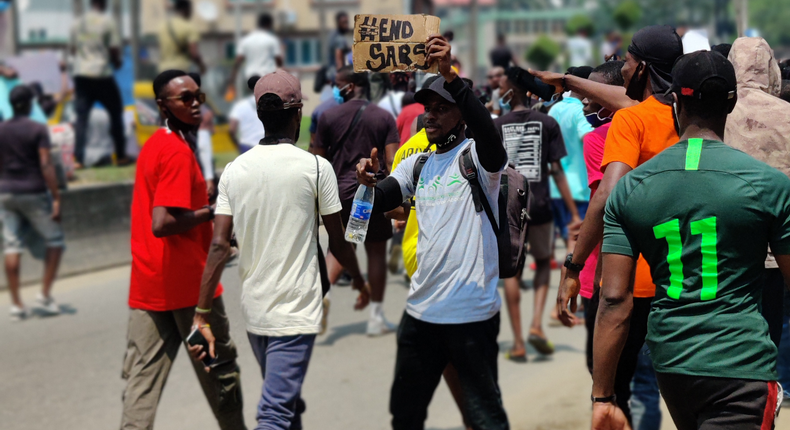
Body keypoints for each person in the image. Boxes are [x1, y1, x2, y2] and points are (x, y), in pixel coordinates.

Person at [593, 49, 786, 430]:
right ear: (730, 104)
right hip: (740, 364)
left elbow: (614, 299)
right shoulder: (769, 185)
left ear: (675, 103)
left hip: (672, 363)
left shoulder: (632, 188)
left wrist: (603, 396)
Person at [189, 69, 369, 430]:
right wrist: (361, 282)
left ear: (259, 115)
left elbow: (220, 244)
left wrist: (201, 312)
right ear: (298, 112)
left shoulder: (234, 170)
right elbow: (338, 242)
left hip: (256, 312)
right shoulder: (316, 168)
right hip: (296, 312)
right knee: (275, 412)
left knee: (286, 402)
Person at [357, 34, 510, 430]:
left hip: (471, 315)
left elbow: (491, 138)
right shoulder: (418, 163)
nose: (431, 115)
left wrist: (452, 76)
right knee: (404, 416)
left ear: (462, 115)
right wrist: (368, 183)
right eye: (428, 108)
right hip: (421, 313)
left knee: (485, 418)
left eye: (443, 109)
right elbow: (381, 198)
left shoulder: (477, 157)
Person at [533, 25, 683, 424]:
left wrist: (573, 265)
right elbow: (625, 97)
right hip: (687, 276)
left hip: (632, 279)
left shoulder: (629, 123)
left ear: (643, 68)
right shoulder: (694, 114)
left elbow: (606, 196)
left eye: (629, 63)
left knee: (613, 392)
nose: (624, 69)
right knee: (667, 385)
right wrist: (567, 80)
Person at [121, 70, 244, 430]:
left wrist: (199, 200)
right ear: (163, 106)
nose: (194, 104)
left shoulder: (158, 145)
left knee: (140, 384)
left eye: (198, 97)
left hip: (150, 286)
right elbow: (162, 223)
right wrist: (215, 211)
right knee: (220, 373)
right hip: (192, 291)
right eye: (184, 98)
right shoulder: (175, 151)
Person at [494, 66, 580, 361]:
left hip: (508, 206)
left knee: (512, 272)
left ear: (511, 91)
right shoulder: (547, 123)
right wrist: (572, 212)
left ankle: (518, 341)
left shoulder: (498, 124)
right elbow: (556, 171)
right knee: (543, 262)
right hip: (540, 203)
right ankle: (536, 326)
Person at [313, 66, 400, 335]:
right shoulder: (383, 117)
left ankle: (322, 301)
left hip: (337, 195)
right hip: (372, 194)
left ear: (350, 86)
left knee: (339, 247)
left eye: (336, 84)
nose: (333, 90)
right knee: (375, 250)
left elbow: (315, 159)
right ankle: (375, 318)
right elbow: (391, 160)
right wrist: (396, 198)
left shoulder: (327, 116)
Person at [725, 37, 790, 352]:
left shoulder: (719, 110)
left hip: (726, 243)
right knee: (772, 326)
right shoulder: (786, 113)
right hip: (778, 248)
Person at [0, 86, 64, 320]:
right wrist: (56, 197)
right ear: (29, 104)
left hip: (5, 192)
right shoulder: (37, 129)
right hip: (33, 191)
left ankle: (16, 304)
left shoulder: (1, 130)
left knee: (11, 246)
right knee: (55, 240)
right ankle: (44, 296)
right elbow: (46, 164)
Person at [578, 60, 623, 372]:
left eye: (591, 91)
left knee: (603, 373)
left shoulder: (596, 139)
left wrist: (574, 266)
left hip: (602, 272)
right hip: (650, 272)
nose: (584, 99)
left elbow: (605, 203)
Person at [69, 0, 130, 168]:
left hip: (81, 73)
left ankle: (78, 159)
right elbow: (114, 49)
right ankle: (121, 155)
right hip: (101, 73)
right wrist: (116, 62)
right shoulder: (108, 22)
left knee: (81, 117)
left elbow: (73, 50)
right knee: (116, 112)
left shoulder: (77, 23)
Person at [548, 66, 594, 251]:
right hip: (579, 188)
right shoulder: (580, 112)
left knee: (570, 241)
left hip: (555, 187)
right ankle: (568, 280)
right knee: (574, 246)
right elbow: (588, 138)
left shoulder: (554, 109)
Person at [227, 13, 282, 95]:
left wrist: (232, 79)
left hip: (251, 79)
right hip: (267, 79)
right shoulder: (272, 40)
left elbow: (238, 61)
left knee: (252, 102)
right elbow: (279, 61)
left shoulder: (245, 40)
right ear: (269, 24)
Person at [158, 0, 205, 73]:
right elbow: (194, 53)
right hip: (180, 69)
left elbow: (161, 50)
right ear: (186, 10)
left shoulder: (163, 27)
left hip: (163, 70)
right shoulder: (189, 27)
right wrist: (202, 66)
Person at [326, 11, 351, 83]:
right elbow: (339, 60)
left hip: (330, 74)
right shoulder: (340, 39)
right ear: (338, 23)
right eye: (344, 22)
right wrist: (342, 78)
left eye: (347, 22)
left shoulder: (332, 34)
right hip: (337, 75)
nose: (346, 25)